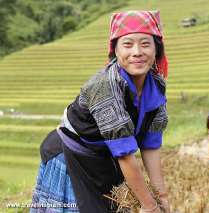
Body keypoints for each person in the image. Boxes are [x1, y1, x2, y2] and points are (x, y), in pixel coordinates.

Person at [30, 10, 170, 213]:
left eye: (146, 44)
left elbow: (150, 145)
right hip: (71, 156)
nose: (137, 52)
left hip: (105, 158)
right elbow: (125, 154)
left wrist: (161, 197)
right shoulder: (105, 86)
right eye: (128, 44)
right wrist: (149, 206)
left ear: (157, 49)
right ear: (116, 50)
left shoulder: (156, 85)